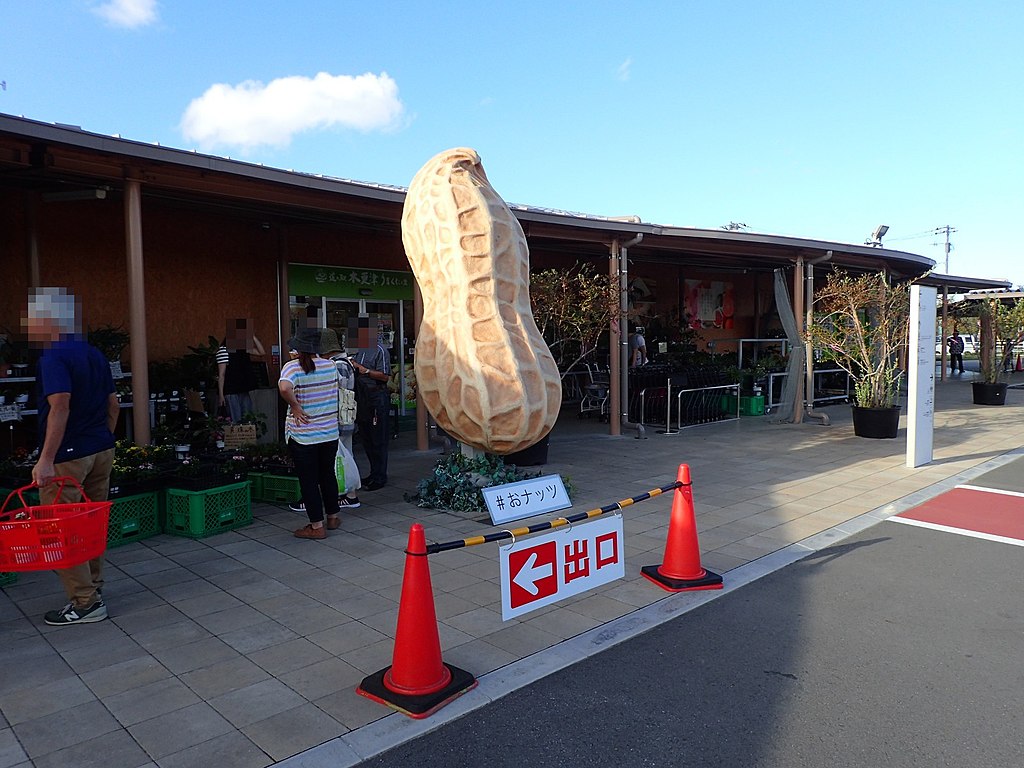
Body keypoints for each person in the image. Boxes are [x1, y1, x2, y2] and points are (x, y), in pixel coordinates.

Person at [24, 287, 119, 626]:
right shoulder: (93, 353)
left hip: (68, 456)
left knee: (62, 530)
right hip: (100, 450)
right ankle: (92, 589)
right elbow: (113, 403)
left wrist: (46, 459)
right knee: (91, 526)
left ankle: (86, 602)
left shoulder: (52, 358)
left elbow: (60, 404)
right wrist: (104, 437)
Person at [288, 327, 361, 514]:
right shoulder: (335, 364)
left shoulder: (338, 365)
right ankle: (338, 503)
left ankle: (349, 495)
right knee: (335, 464)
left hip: (336, 422)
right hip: (333, 423)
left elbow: (337, 392)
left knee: (340, 461)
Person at [278, 328, 341, 539]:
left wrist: (295, 406)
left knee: (309, 481)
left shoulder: (292, 368)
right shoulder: (330, 366)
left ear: (298, 348)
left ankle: (316, 526)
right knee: (327, 475)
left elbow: (285, 388)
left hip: (303, 436)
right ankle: (332, 517)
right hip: (329, 433)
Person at [351, 316, 391, 491]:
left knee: (378, 439)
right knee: (366, 438)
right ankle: (373, 473)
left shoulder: (380, 350)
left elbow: (385, 376)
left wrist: (364, 370)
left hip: (377, 397)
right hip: (362, 398)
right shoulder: (357, 350)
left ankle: (380, 476)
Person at [217, 318, 265, 423]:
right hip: (231, 389)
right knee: (235, 419)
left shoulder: (243, 348)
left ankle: (246, 439)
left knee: (247, 418)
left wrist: (252, 337)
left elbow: (261, 352)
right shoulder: (224, 349)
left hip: (243, 387)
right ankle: (238, 439)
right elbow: (222, 375)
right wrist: (221, 395)